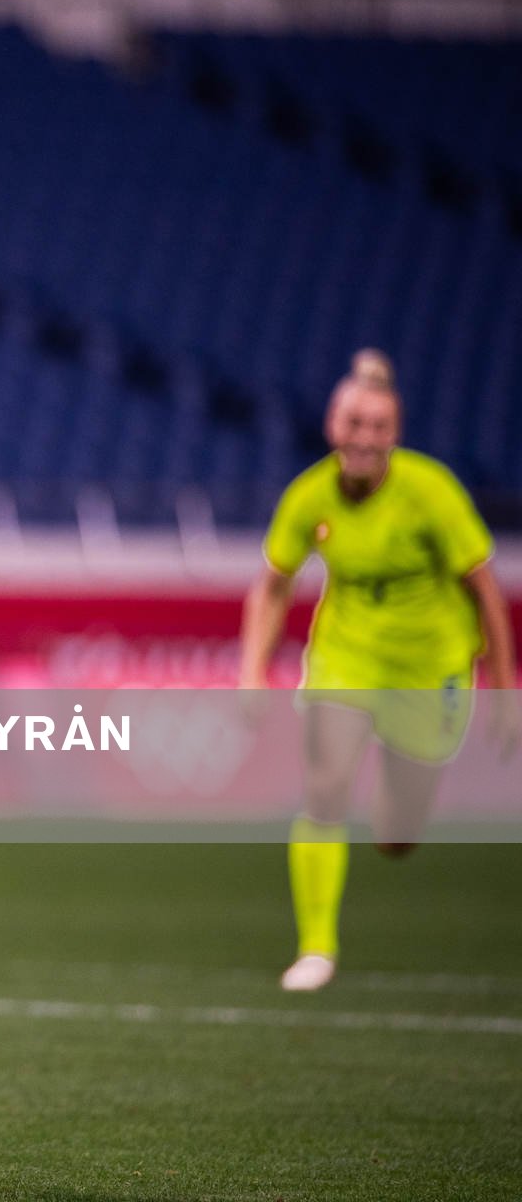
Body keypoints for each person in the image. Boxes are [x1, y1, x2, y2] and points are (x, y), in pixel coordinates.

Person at [238, 349, 514, 993]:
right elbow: (273, 585)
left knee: (396, 837)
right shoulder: (309, 496)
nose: (363, 438)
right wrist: (253, 669)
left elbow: (486, 592)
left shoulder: (431, 492)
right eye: (352, 424)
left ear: (395, 433)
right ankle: (316, 949)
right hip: (346, 656)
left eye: (377, 427)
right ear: (332, 426)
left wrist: (504, 690)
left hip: (431, 667)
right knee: (326, 785)